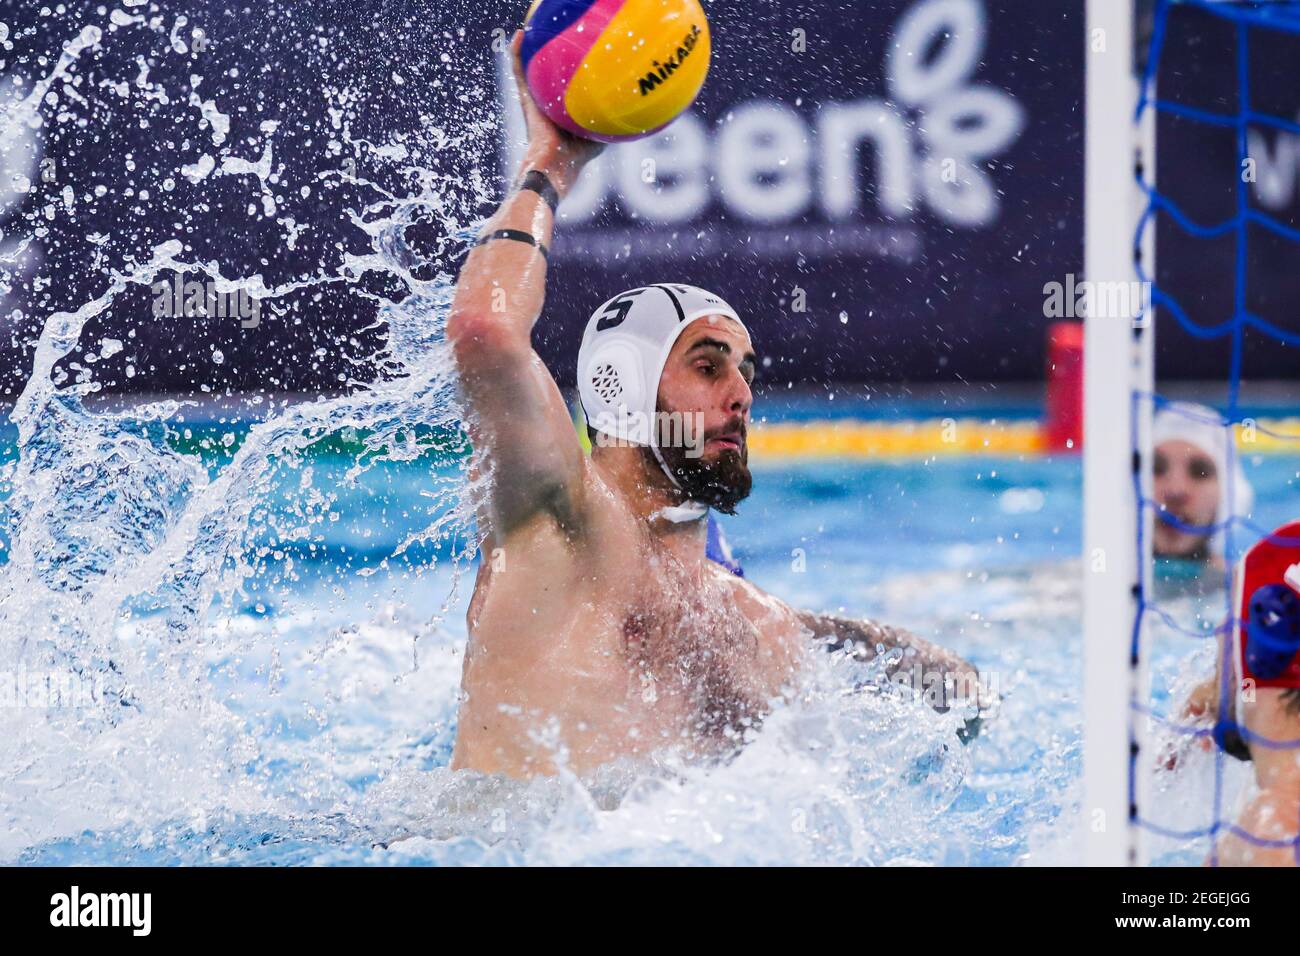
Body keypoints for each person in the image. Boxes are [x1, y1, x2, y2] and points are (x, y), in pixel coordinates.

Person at [443, 33, 980, 778]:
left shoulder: (752, 629)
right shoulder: (555, 519)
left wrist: (905, 656)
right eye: (707, 365)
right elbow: (484, 331)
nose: (742, 394)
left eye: (747, 371)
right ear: (616, 389)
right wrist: (550, 166)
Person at [1152, 401, 1254, 571]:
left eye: (1200, 472)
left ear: (1230, 495)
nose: (1175, 491)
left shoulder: (1246, 593)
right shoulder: (1097, 577)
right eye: (1157, 468)